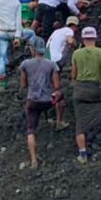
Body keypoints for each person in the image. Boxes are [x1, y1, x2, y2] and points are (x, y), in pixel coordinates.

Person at [70, 27, 101, 164]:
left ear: (83, 39)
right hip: (95, 88)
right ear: (95, 38)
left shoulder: (76, 54)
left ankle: (82, 154)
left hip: (80, 89)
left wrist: (76, 83)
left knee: (79, 124)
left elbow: (73, 75)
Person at [20, 37, 66, 169]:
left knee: (30, 130)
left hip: (32, 101)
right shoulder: (51, 64)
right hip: (48, 101)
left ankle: (34, 160)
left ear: (32, 49)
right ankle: (59, 121)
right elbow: (56, 85)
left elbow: (23, 85)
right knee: (60, 96)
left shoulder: (25, 64)